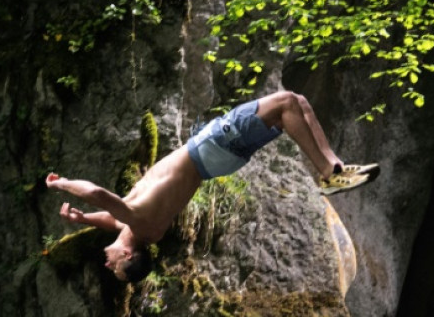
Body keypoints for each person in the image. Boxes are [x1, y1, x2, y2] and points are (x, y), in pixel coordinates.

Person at [46, 90, 379, 282]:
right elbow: (98, 194)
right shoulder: (137, 218)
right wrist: (62, 184)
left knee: (294, 104)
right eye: (115, 265)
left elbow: (111, 220)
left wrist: (83, 220)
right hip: (210, 149)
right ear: (127, 254)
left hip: (216, 160)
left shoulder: (143, 229)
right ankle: (327, 171)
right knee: (287, 104)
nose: (107, 263)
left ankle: (333, 167)